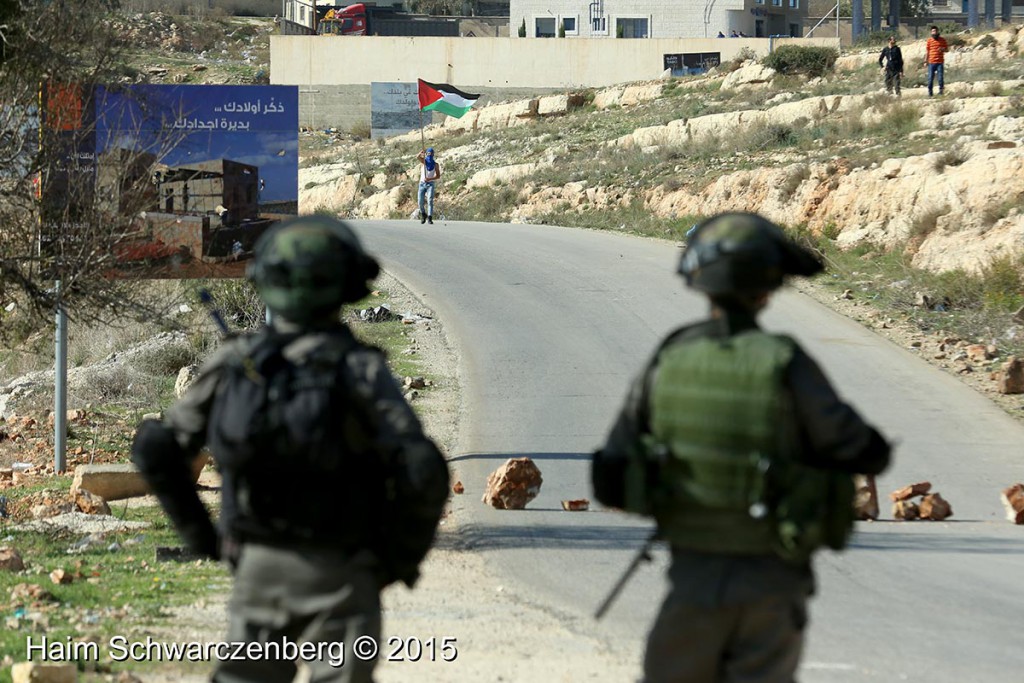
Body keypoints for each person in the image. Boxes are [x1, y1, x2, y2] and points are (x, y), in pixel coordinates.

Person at [131, 215, 450, 683]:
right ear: (347, 286)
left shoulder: (232, 363)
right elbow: (423, 470)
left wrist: (204, 538)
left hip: (258, 572)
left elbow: (156, 448)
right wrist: (394, 561)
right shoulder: (360, 370)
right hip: (344, 573)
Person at [592, 212, 891, 683]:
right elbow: (865, 450)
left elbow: (609, 477)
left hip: (692, 585)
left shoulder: (670, 357)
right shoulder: (787, 362)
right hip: (772, 589)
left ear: (700, 282)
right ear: (767, 287)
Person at [417, 147, 442, 224]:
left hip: (430, 184)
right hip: (422, 184)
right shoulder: (424, 162)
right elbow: (417, 157)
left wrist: (430, 178)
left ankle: (430, 217)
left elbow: (438, 176)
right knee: (420, 201)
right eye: (428, 153)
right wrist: (420, 153)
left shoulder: (435, 165)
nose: (429, 155)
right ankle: (423, 214)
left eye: (431, 154)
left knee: (430, 200)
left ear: (433, 154)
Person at [925, 25, 949, 97]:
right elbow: (927, 51)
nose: (934, 32)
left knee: (940, 78)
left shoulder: (942, 40)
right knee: (930, 79)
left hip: (940, 62)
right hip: (931, 62)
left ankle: (941, 91)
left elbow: (947, 50)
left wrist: (942, 49)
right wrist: (925, 61)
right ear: (931, 32)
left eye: (935, 31)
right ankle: (930, 93)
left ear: (938, 31)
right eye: (933, 31)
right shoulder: (929, 41)